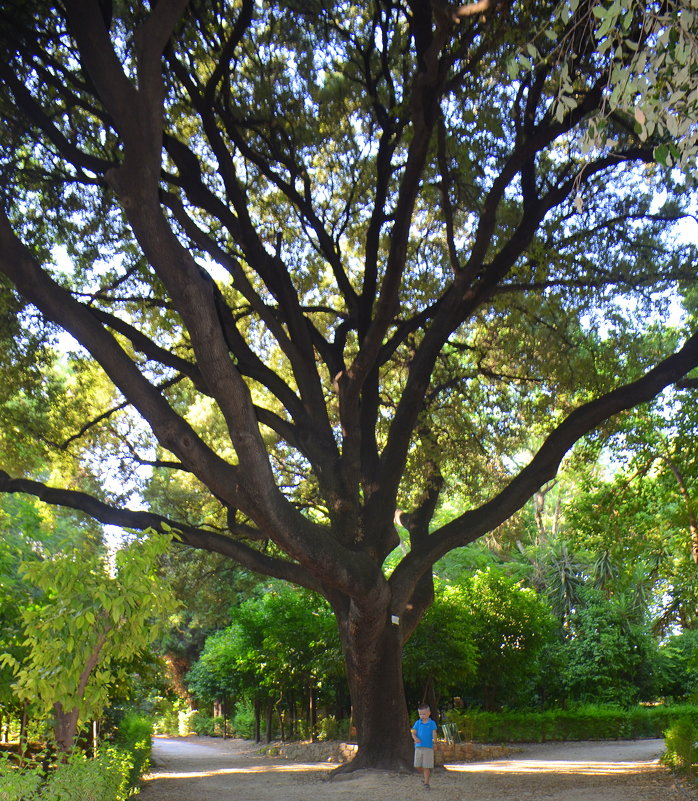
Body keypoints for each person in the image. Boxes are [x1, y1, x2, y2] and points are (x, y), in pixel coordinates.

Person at [410, 703, 438, 789]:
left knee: (426, 766)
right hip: (418, 747)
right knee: (417, 765)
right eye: (420, 714)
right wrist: (415, 738)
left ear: (429, 713)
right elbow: (413, 732)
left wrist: (435, 743)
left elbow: (434, 733)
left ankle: (426, 782)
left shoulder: (432, 723)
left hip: (428, 747)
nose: (422, 716)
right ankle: (426, 776)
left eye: (424, 714)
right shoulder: (417, 723)